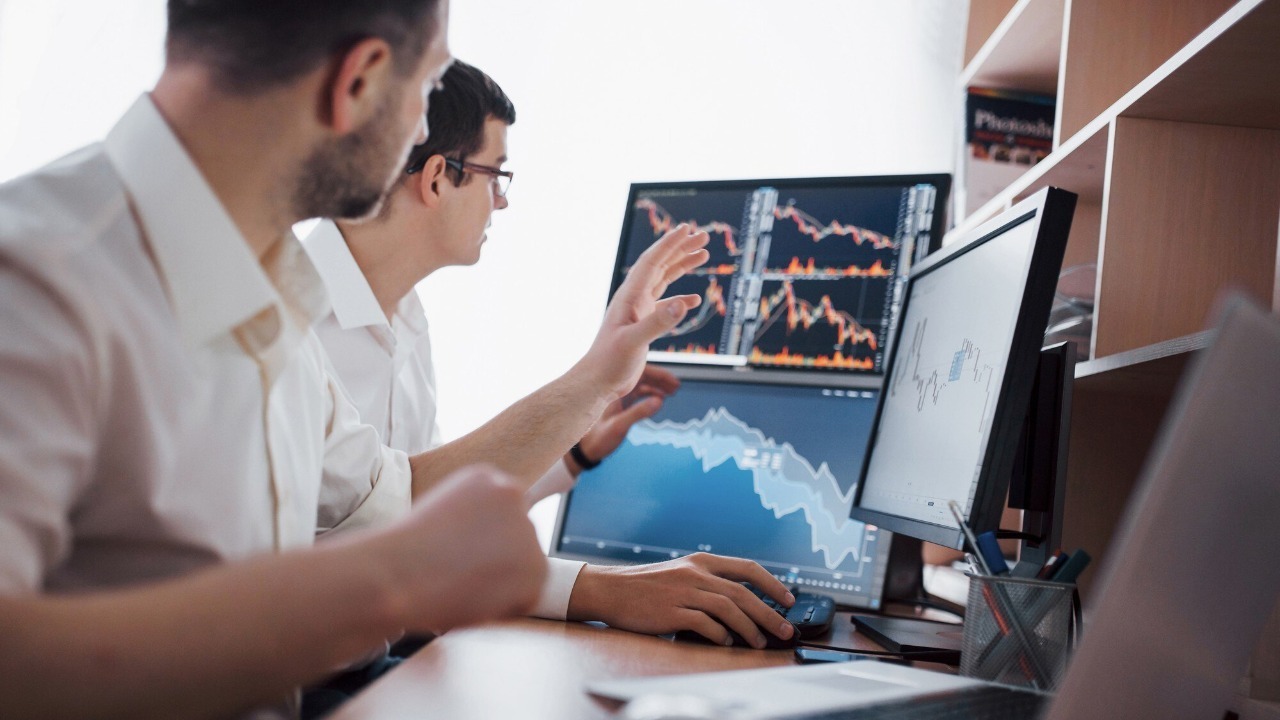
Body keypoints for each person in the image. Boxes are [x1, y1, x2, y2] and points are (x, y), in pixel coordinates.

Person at [0, 1, 707, 717]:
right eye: (427, 89)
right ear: (361, 81)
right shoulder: (34, 278)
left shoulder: (271, 296)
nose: (418, 133)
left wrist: (594, 381)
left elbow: (394, 496)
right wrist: (390, 578)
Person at [307, 60, 800, 647]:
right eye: (497, 175)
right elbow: (402, 529)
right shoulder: (293, 328)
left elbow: (431, 507)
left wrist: (575, 452)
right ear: (437, 177)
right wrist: (593, 384)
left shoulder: (405, 319)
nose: (502, 201)